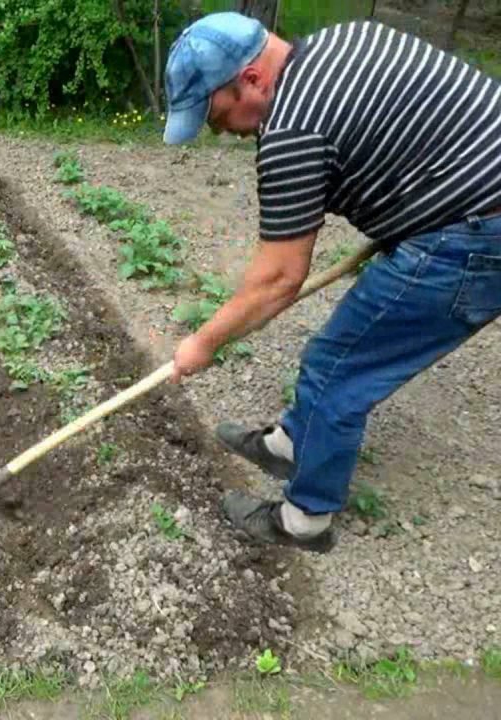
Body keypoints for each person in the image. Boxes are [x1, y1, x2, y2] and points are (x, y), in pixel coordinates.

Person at [161, 12, 501, 552]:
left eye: (214, 113)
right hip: (472, 202)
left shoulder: (293, 127)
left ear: (251, 79)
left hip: (472, 237)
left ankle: (304, 520)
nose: (217, 130)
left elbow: (278, 278)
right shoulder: (343, 39)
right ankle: (291, 443)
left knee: (336, 368)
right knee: (336, 355)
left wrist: (202, 343)